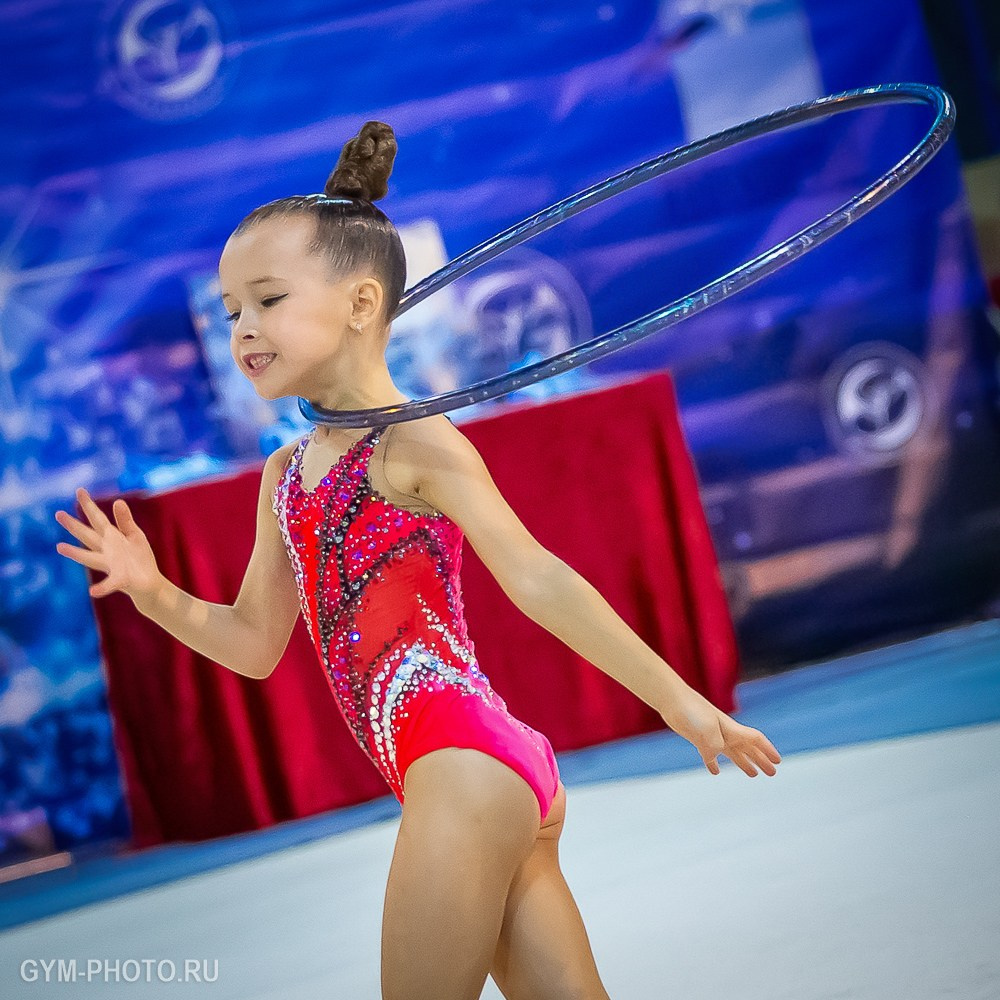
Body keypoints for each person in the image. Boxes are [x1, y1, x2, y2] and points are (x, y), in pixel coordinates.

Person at [54, 121, 782, 1000]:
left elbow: (539, 576)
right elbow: (253, 644)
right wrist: (153, 590)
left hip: (463, 765)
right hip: (467, 771)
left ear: (362, 305)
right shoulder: (286, 474)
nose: (243, 329)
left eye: (268, 300)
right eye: (230, 311)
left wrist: (686, 706)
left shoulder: (413, 445)